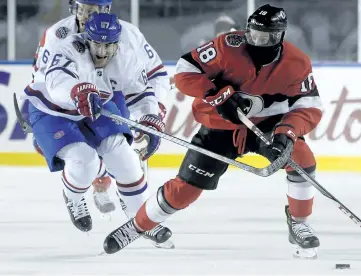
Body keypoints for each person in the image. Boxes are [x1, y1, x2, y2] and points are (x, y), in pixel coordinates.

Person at [103, 4, 323, 259]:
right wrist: (215, 94)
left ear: (279, 37)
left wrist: (287, 132)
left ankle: (299, 223)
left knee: (301, 160)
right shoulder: (227, 46)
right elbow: (186, 70)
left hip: (269, 126)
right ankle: (137, 226)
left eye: (264, 38)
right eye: (252, 33)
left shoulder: (297, 63)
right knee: (185, 190)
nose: (255, 41)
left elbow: (309, 105)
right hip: (220, 127)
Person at [29, 0, 173, 249]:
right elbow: (54, 80)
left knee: (124, 156)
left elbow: (141, 89)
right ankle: (74, 196)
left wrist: (151, 117)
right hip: (54, 108)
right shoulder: (63, 40)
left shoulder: (127, 44)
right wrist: (76, 91)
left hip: (97, 102)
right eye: (83, 8)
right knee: (85, 160)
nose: (103, 51)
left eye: (110, 45)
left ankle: (142, 220)